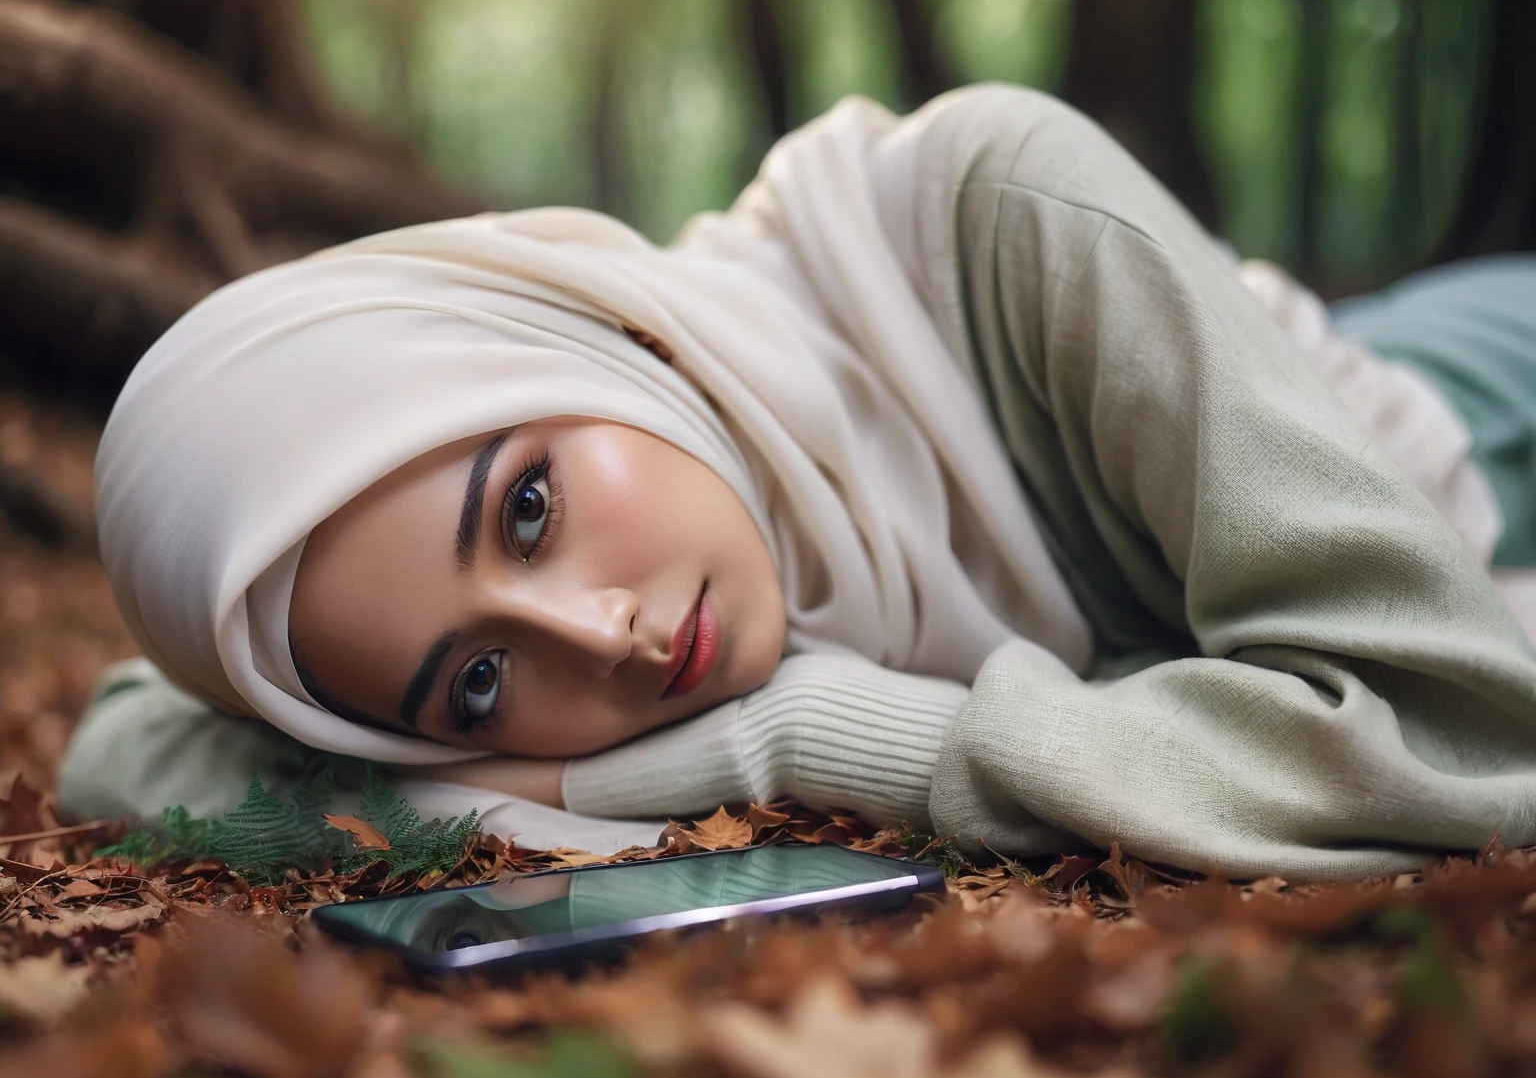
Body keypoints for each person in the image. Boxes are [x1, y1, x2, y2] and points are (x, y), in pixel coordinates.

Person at [58, 84, 1536, 879]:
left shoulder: (1002, 218)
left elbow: (1441, 741)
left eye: (526, 508)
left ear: (611, 338)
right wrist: (740, 744)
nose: (601, 636)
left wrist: (801, 738)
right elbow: (128, 752)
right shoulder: (683, 538)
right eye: (478, 689)